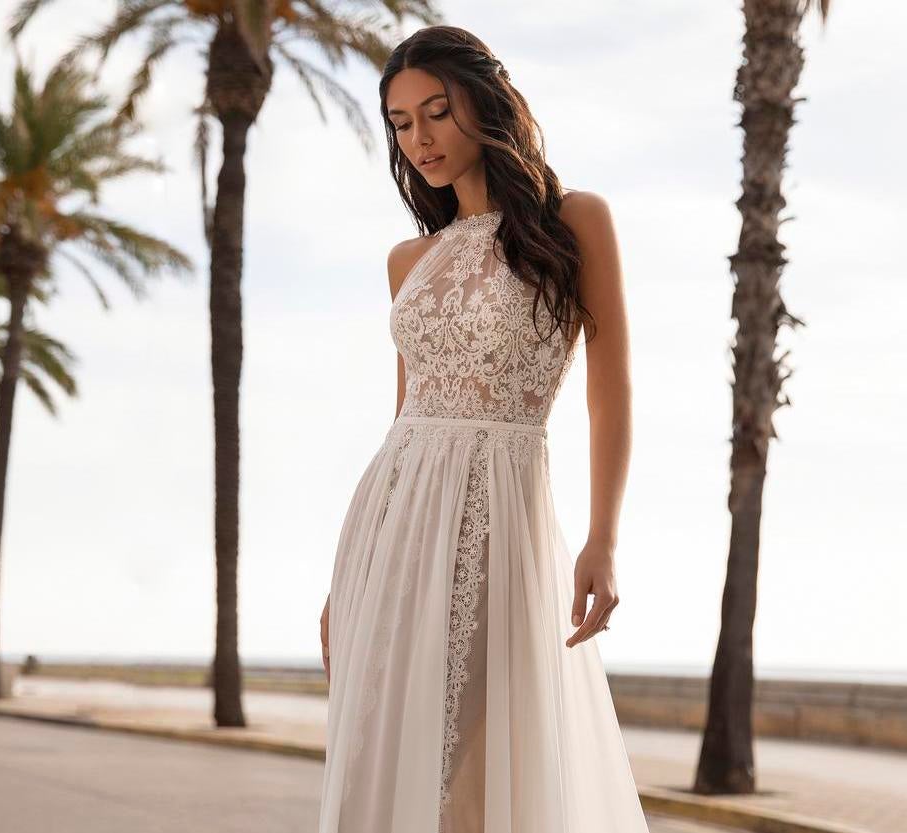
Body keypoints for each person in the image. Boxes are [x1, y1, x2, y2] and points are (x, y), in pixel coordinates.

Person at [316, 25, 649, 833]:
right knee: (379, 761)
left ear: (486, 104)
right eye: (401, 123)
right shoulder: (409, 259)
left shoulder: (575, 221)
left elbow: (609, 390)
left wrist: (602, 539)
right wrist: (342, 580)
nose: (419, 139)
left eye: (436, 112)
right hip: (392, 519)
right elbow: (405, 415)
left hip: (500, 514)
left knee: (470, 766)